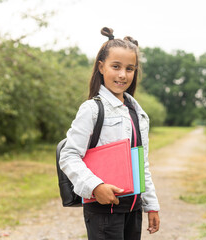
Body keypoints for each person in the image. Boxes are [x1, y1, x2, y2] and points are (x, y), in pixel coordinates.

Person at [59, 27, 160, 240]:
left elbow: (142, 164)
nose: (123, 75)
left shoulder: (137, 113)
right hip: (104, 210)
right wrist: (96, 186)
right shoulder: (92, 109)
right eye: (116, 66)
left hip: (133, 209)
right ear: (101, 67)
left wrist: (151, 204)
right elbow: (68, 156)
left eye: (130, 69)